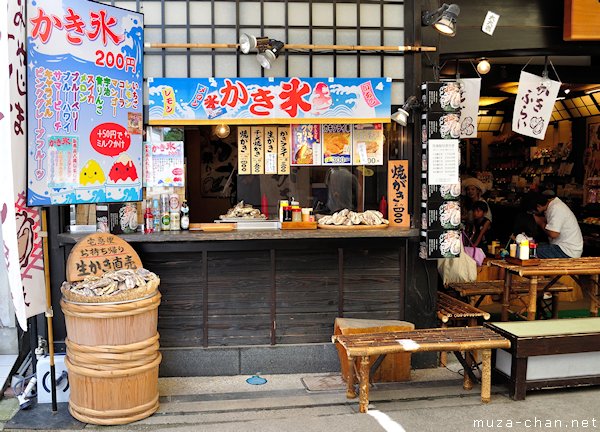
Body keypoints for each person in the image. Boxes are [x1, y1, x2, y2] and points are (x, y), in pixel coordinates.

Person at [532, 191, 583, 258]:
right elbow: (552, 220)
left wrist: (539, 222)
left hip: (567, 251)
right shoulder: (553, 205)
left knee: (532, 251)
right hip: (565, 247)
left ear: (538, 206)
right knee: (538, 245)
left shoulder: (556, 208)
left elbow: (553, 234)